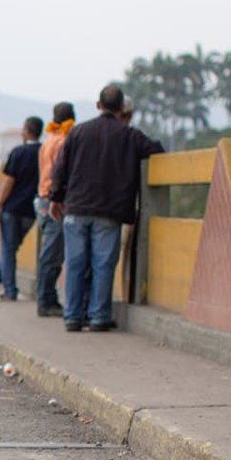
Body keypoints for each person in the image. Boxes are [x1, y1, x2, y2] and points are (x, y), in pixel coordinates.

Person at [50, 85, 163, 332]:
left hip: (76, 208)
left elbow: (59, 168)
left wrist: (56, 198)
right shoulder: (130, 135)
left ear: (98, 105)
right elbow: (157, 150)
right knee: (103, 264)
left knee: (76, 264)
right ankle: (99, 316)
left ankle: (72, 316)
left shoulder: (78, 132)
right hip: (109, 212)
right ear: (122, 107)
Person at [0, 117, 43, 301]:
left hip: (12, 209)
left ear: (26, 131)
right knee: (12, 247)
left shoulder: (18, 152)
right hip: (31, 211)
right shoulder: (44, 153)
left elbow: (9, 182)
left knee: (8, 249)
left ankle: (10, 290)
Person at [34, 102, 75, 318]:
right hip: (54, 202)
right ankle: (46, 300)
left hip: (42, 198)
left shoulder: (48, 141)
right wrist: (57, 199)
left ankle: (46, 298)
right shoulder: (62, 142)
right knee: (52, 254)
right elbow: (60, 174)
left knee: (50, 252)